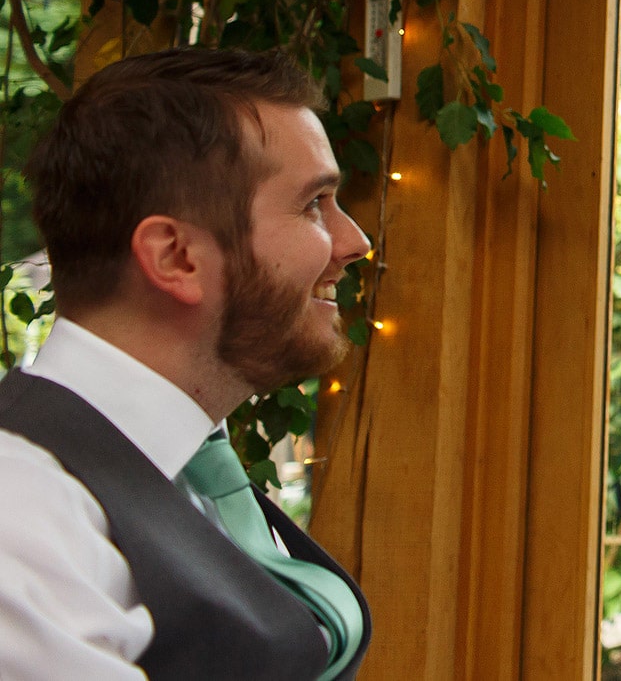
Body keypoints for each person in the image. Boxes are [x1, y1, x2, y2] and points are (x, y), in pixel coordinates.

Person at [0, 48, 375, 681]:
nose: (355, 242)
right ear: (175, 256)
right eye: (314, 204)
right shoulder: (23, 506)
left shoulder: (193, 470)